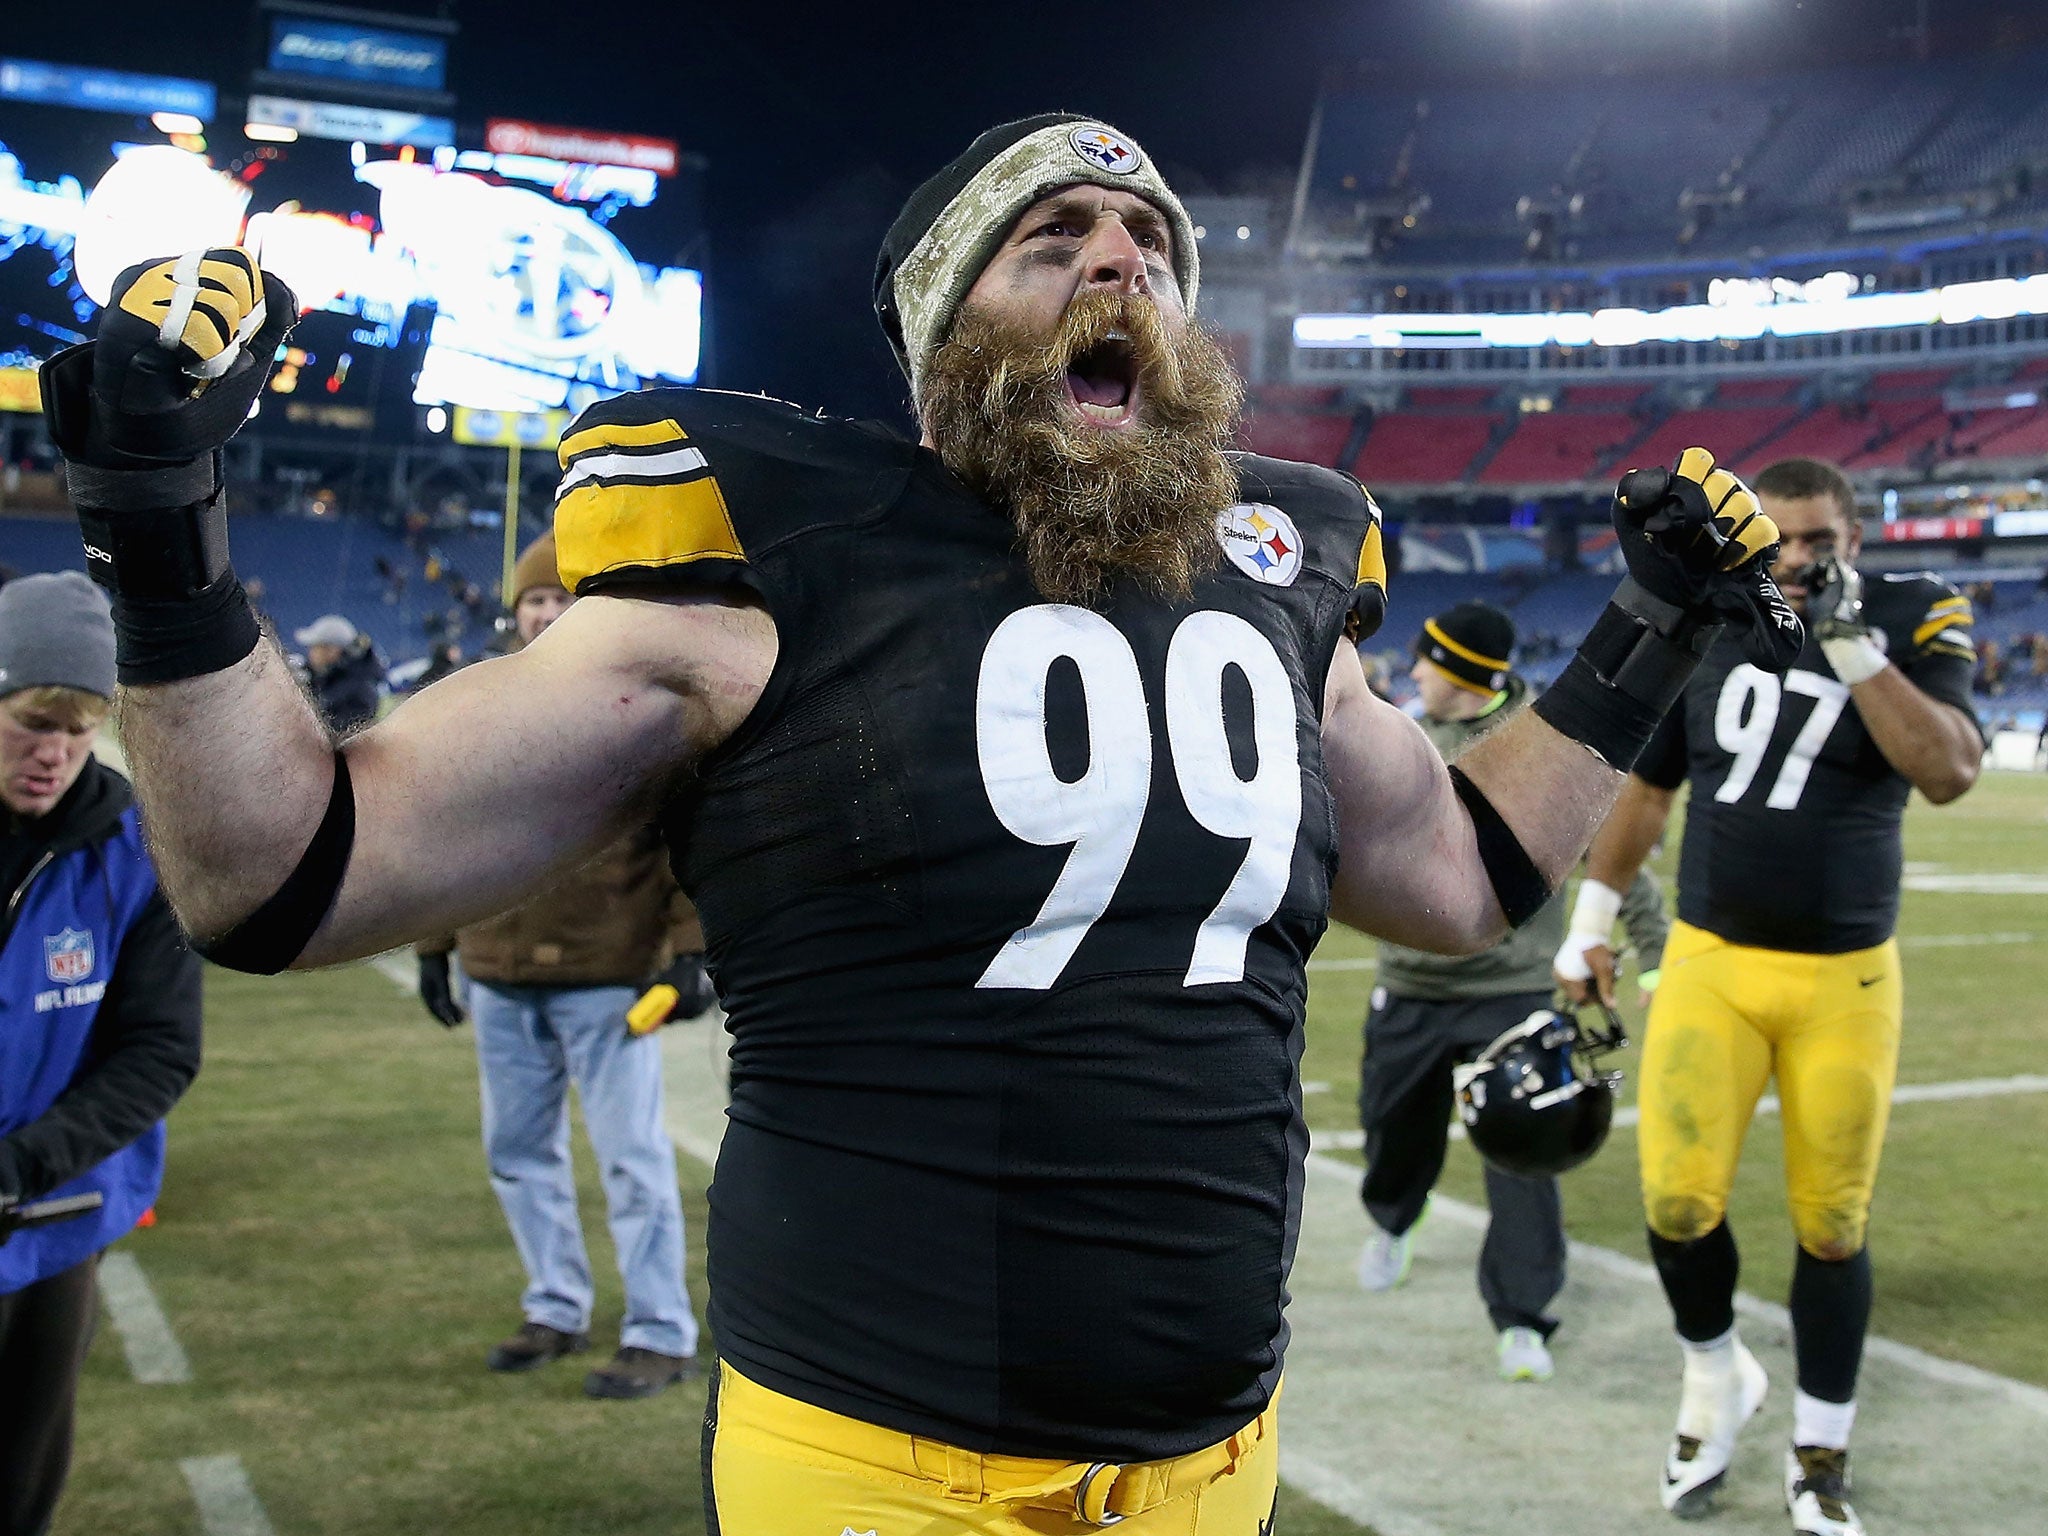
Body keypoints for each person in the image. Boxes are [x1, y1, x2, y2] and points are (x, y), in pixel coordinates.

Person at [42, 137, 1793, 1534]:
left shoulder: (1276, 584)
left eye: (1149, 244)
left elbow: (1468, 869)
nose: (1122, 259)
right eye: (1055, 239)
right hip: (872, 1464)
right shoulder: (763, 565)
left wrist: (1643, 630)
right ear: (945, 332)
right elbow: (280, 868)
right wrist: (158, 520)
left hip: (1211, 1464)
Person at [1555, 457, 1982, 1536]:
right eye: (1775, 541)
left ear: (1852, 537)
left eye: (1814, 541)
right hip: (1711, 959)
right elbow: (1645, 795)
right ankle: (1713, 1382)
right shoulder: (1718, 617)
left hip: (1843, 976)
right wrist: (1589, 928)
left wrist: (1848, 641)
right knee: (1675, 1205)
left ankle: (1820, 1446)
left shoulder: (1912, 611)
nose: (1791, 560)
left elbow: (1947, 769)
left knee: (1830, 1226)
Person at [414, 532, 711, 1398]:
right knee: (516, 1151)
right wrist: (436, 948)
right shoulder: (470, 704)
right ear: (515, 612)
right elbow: (439, 832)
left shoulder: (640, 706)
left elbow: (681, 846)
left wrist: (689, 956)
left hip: (609, 975)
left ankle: (660, 1331)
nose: (544, 612)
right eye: (533, 601)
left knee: (632, 1160)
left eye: (559, 599)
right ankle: (556, 1305)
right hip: (497, 971)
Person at [1355, 600, 1668, 1385]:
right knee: (1392, 1135)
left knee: (1527, 1156)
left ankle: (1524, 1313)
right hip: (1411, 980)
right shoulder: (1400, 733)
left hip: (1515, 986)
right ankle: (1397, 1216)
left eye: (1428, 659)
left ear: (1458, 670)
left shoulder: (1542, 743)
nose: (1414, 670)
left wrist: (1657, 952)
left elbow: (1610, 852)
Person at [0, 573, 203, 1536]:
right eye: (33, 722)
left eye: (79, 728)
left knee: (18, 1481)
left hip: (54, 1217)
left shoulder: (133, 850)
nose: (55, 754)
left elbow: (160, 1050)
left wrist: (24, 1164)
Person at [292, 614, 383, 731]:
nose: (311, 653)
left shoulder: (360, 691)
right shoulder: (320, 678)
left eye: (316, 647)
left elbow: (337, 736)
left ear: (332, 651)